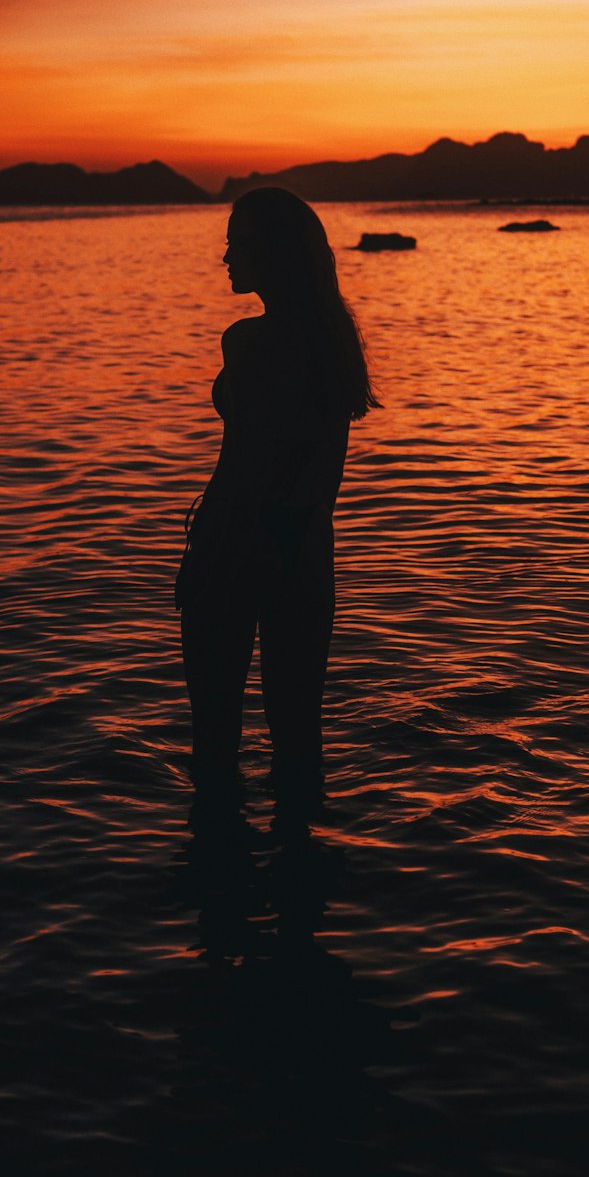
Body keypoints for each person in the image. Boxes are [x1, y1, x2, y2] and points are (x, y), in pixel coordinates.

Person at [176, 186, 379, 798]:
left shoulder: (249, 343)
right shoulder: (334, 342)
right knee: (299, 742)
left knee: (215, 743)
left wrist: (208, 553)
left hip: (238, 542)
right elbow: (319, 466)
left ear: (271, 251)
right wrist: (292, 540)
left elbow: (245, 464)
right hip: (308, 543)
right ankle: (302, 878)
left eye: (236, 243)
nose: (226, 258)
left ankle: (219, 873)